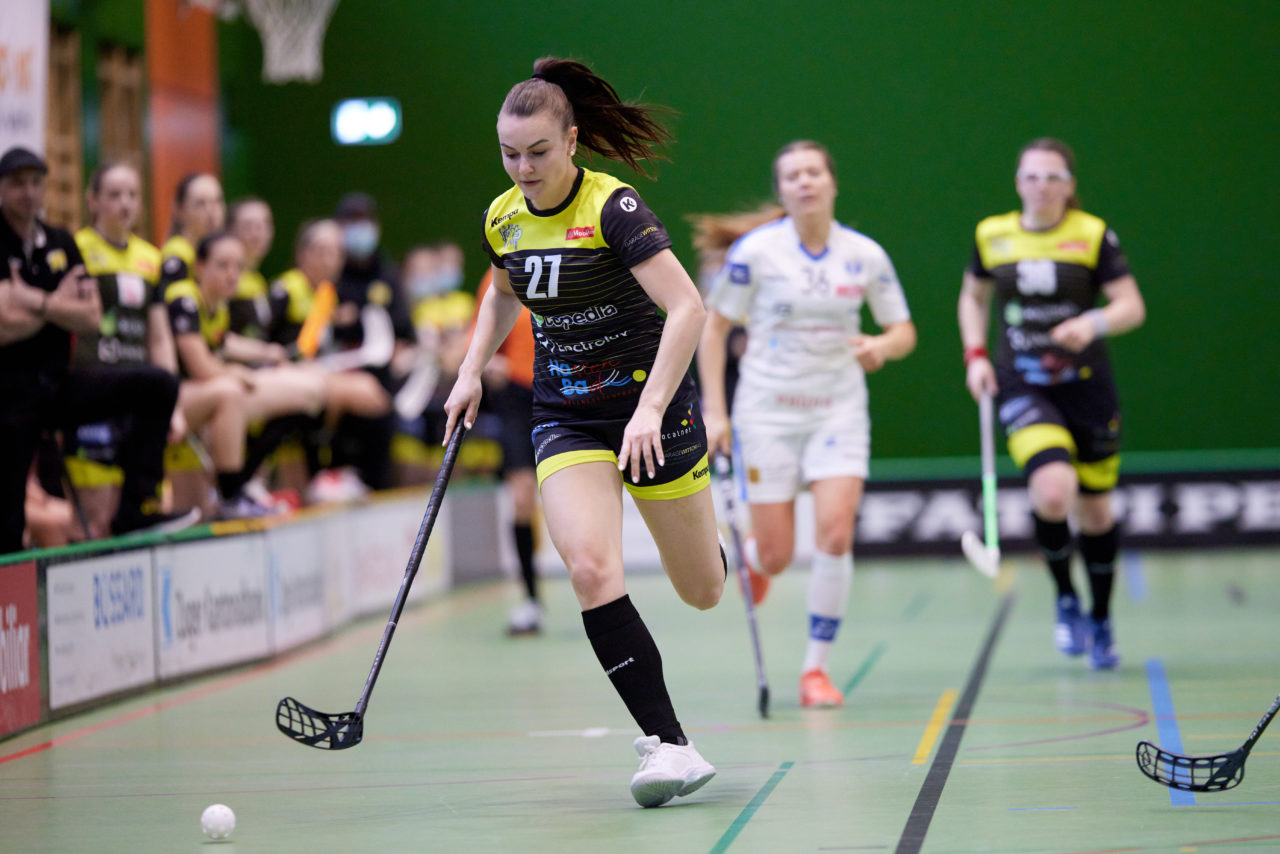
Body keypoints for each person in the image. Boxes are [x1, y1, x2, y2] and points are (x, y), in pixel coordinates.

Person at [443, 57, 722, 808]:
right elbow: (502, 295)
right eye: (509, 153)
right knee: (592, 568)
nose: (523, 168)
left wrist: (652, 408)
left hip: (648, 409)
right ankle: (670, 745)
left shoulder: (613, 209)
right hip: (564, 414)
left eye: (537, 152)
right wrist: (471, 369)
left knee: (703, 590)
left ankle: (707, 540)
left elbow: (689, 308)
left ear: (571, 141)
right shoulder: (503, 216)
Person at [698, 140, 917, 709]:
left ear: (832, 182)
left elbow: (903, 330)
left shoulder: (864, 254)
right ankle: (755, 563)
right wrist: (716, 412)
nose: (804, 182)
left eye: (814, 172)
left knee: (836, 535)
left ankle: (815, 670)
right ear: (781, 190)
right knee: (774, 554)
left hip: (837, 410)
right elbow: (713, 329)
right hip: (766, 412)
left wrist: (880, 346)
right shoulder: (755, 253)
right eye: (792, 175)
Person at [958, 137, 1145, 670]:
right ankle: (1066, 597)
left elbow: (1132, 306)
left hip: (1087, 389)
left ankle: (1101, 618)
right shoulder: (992, 235)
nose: (1042, 187)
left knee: (1096, 509)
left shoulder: (1091, 235)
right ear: (1018, 183)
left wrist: (1091, 322)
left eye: (1053, 177)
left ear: (1070, 186)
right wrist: (976, 354)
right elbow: (973, 296)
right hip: (1024, 384)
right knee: (1052, 488)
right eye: (1032, 177)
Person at [0, 146, 193, 552]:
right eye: (18, 184)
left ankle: (137, 507)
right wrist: (58, 306)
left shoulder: (60, 241)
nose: (29, 193)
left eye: (37, 183)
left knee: (158, 385)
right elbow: (2, 325)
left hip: (58, 384)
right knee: (11, 515)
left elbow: (90, 317)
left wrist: (34, 301)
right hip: (9, 393)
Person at [75, 162, 271, 523]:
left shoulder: (149, 258)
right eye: (115, 195)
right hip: (95, 389)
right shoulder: (80, 250)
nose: (125, 204)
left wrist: (171, 400)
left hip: (143, 389)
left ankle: (232, 492)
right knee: (98, 509)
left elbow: (161, 336)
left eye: (133, 195)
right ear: (93, 201)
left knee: (158, 506)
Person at [472, 267, 542, 635]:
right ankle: (531, 600)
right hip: (517, 398)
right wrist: (487, 363)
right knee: (521, 499)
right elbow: (480, 339)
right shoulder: (503, 272)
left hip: (565, 390)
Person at [227, 196, 275, 340]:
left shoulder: (258, 281)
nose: (256, 234)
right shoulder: (224, 279)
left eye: (262, 226)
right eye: (248, 226)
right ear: (230, 230)